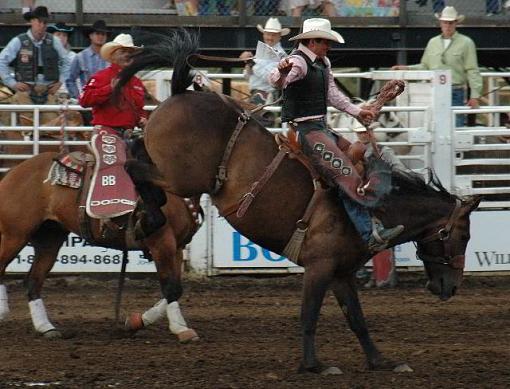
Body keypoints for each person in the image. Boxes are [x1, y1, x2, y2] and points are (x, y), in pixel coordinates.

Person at [269, 18, 404, 253]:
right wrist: (281, 74)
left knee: (359, 153)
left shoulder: (323, 63)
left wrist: (358, 112)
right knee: (345, 171)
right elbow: (279, 80)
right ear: (313, 41)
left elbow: (334, 95)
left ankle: (348, 218)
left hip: (319, 129)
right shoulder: (298, 63)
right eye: (326, 42)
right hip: (305, 131)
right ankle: (368, 234)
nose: (329, 47)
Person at [79, 34, 147, 223]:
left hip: (129, 134)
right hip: (106, 131)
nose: (128, 56)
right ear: (114, 54)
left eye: (131, 52)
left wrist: (142, 119)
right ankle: (110, 211)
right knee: (115, 160)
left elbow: (140, 111)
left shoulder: (137, 83)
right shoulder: (102, 77)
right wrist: (109, 89)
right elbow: (84, 100)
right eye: (124, 52)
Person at [392, 6, 482, 127]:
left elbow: (472, 70)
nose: (448, 25)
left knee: (455, 126)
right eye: (445, 22)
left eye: (451, 22)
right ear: (440, 23)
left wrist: (475, 96)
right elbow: (425, 66)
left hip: (455, 90)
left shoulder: (466, 43)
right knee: (434, 125)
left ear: (456, 23)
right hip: (432, 90)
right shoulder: (432, 42)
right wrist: (407, 68)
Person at [0, 6, 71, 123]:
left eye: (44, 22)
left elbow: (67, 61)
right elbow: (1, 60)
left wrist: (60, 82)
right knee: (25, 126)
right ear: (32, 21)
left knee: (51, 128)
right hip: (25, 92)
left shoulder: (54, 41)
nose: (42, 25)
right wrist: (11, 83)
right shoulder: (19, 41)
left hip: (48, 91)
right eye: (39, 21)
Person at [239, 17, 289, 110]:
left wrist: (251, 63)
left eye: (273, 35)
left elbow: (269, 76)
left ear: (279, 36)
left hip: (267, 96)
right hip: (257, 94)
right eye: (268, 34)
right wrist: (249, 64)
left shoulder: (281, 55)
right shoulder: (262, 51)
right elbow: (247, 75)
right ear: (263, 34)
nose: (270, 38)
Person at [66, 20, 110, 101]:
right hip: (88, 100)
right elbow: (70, 79)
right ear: (91, 36)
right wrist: (78, 97)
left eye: (103, 34)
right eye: (97, 33)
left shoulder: (111, 57)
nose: (100, 36)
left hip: (107, 101)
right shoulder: (81, 57)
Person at [47, 22, 76, 98]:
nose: (61, 37)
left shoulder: (73, 57)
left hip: (69, 96)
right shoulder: (44, 55)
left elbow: (77, 79)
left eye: (64, 35)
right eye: (58, 34)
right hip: (48, 96)